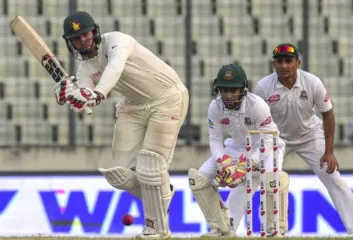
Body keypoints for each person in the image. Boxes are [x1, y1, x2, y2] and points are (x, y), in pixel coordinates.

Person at [53, 11, 189, 239]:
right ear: (70, 42)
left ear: (94, 31)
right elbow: (86, 105)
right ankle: (163, 192)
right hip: (133, 107)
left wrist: (96, 93)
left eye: (85, 34)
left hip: (167, 99)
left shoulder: (117, 40)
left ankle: (156, 230)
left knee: (150, 166)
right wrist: (71, 97)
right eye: (76, 38)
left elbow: (114, 69)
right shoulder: (85, 68)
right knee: (122, 174)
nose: (83, 40)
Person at [253, 43, 353, 237]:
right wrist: (259, 150)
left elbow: (328, 115)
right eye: (279, 61)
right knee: (270, 180)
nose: (284, 65)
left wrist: (329, 152)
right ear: (274, 64)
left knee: (334, 178)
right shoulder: (264, 86)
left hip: (310, 136)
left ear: (298, 62)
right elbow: (255, 120)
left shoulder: (312, 82)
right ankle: (273, 230)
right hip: (276, 138)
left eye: (288, 61)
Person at [188, 64, 289, 237]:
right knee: (199, 179)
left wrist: (247, 164)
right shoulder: (216, 107)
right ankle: (222, 227)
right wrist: (223, 162)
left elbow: (268, 137)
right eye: (224, 90)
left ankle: (275, 229)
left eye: (233, 90)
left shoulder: (257, 105)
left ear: (243, 90)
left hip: (266, 148)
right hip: (237, 147)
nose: (228, 95)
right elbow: (215, 139)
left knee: (272, 181)